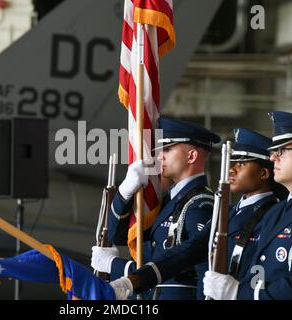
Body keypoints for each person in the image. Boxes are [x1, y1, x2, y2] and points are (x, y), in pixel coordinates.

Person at [109, 128, 287, 299]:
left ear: (264, 173)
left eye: (241, 163)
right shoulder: (230, 211)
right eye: (232, 162)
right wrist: (132, 281)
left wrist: (121, 269)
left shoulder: (275, 214)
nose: (232, 169)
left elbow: (200, 266)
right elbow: (189, 251)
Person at [204, 111, 292, 300]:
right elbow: (258, 271)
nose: (273, 158)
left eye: (282, 151)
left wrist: (238, 293)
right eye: (273, 152)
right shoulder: (276, 212)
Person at [91, 116, 220, 300]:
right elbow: (117, 236)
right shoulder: (166, 200)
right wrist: (124, 194)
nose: (160, 156)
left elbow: (199, 269)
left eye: (167, 149)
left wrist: (115, 265)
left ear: (191, 156)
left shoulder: (200, 205)